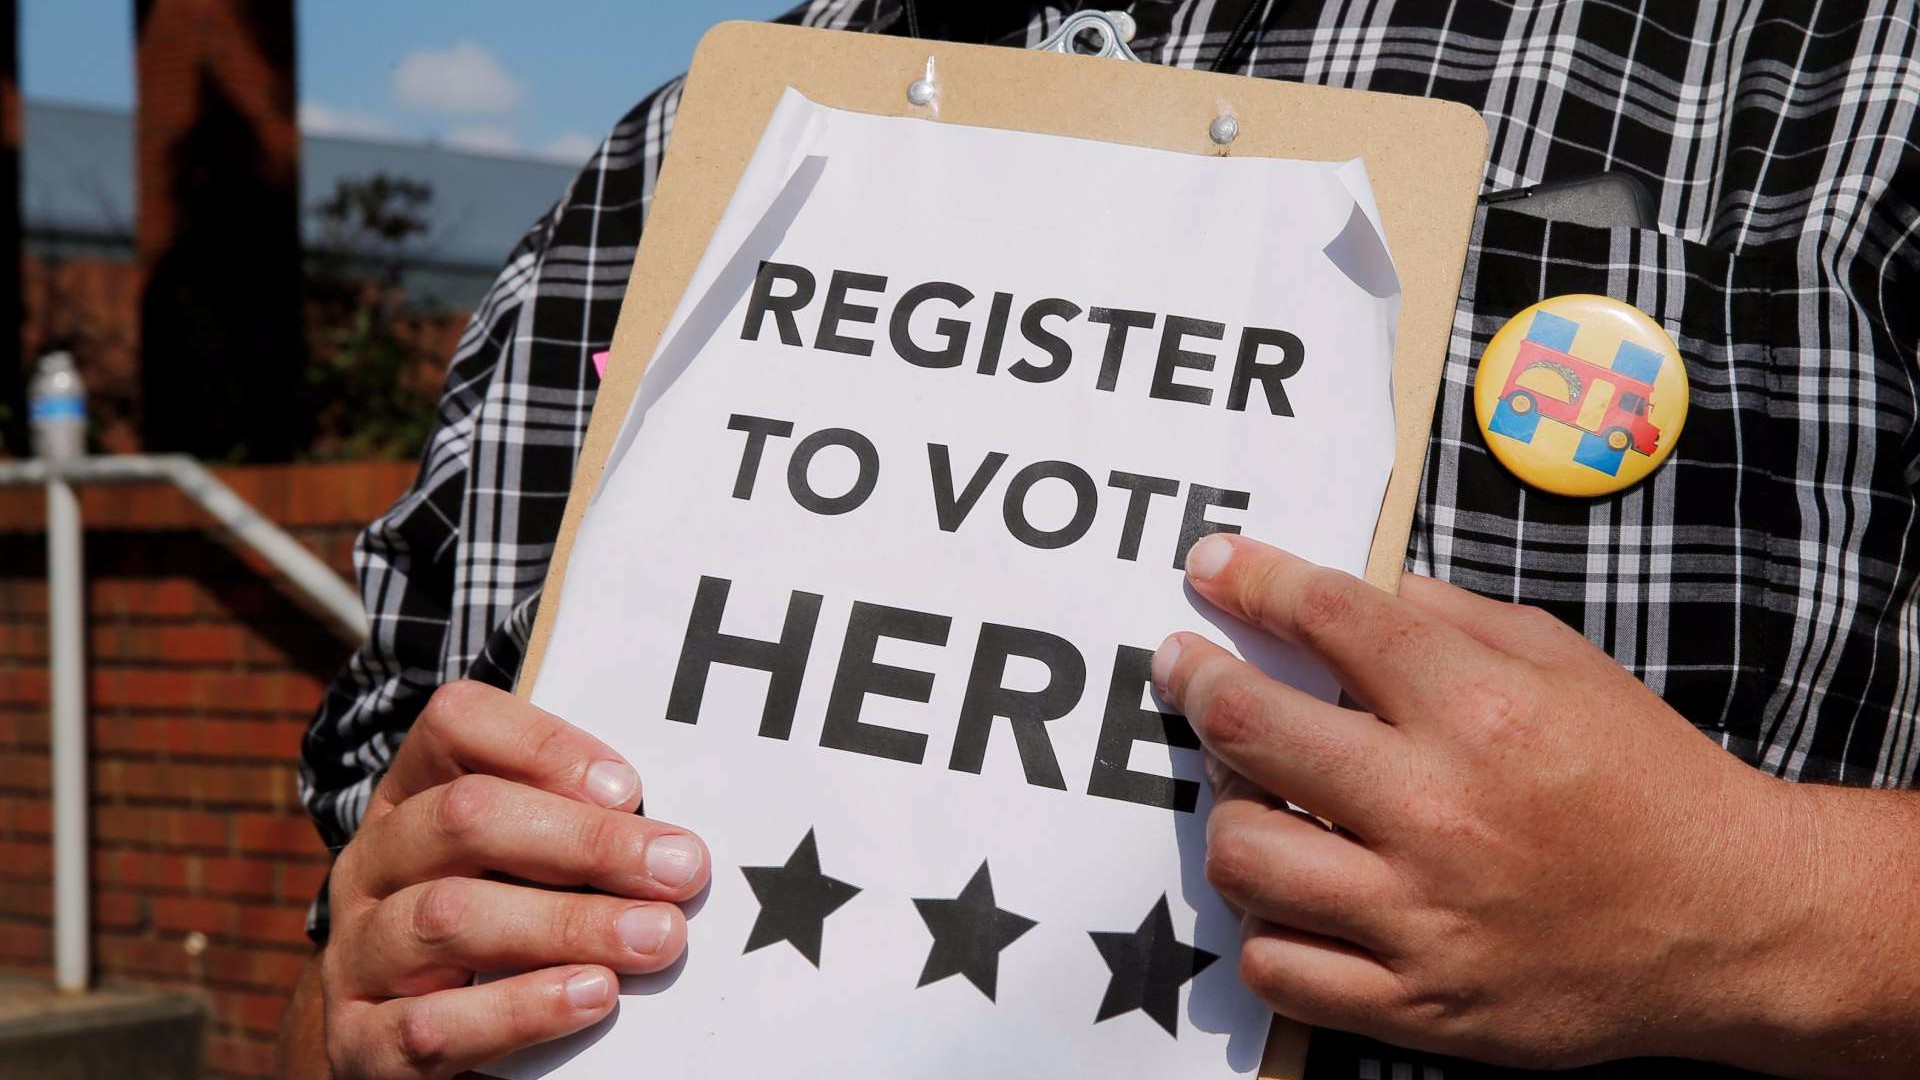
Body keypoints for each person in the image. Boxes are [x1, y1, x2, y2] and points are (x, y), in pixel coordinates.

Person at [277, 2, 1920, 1077]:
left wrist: (1751, 897)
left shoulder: (1850, 82)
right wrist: (369, 1000)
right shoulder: (691, 160)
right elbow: (359, 949)